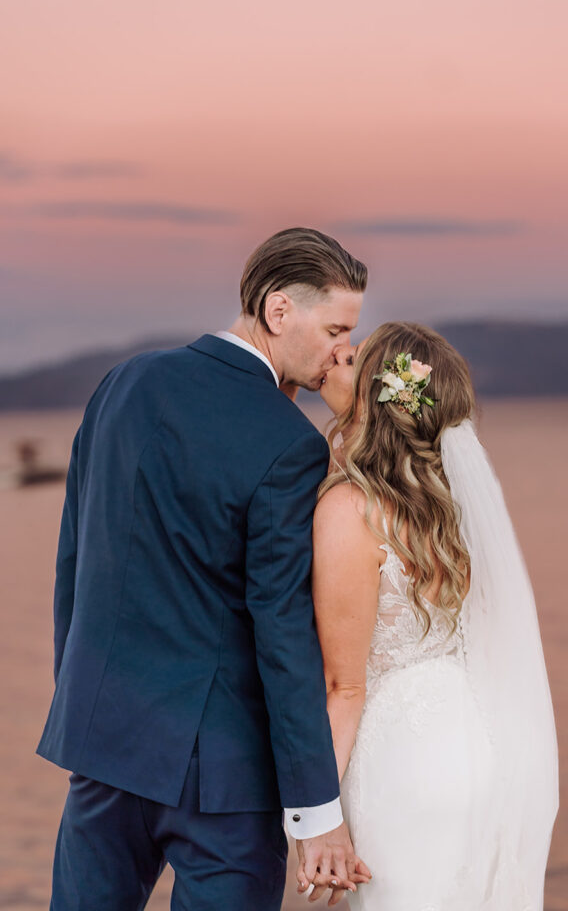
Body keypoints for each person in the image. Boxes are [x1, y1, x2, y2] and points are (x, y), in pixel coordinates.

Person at [37, 227, 372, 911]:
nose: (344, 349)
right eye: (336, 326)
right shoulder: (289, 445)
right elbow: (281, 631)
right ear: (279, 311)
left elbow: (74, 558)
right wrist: (317, 810)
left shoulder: (123, 383)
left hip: (102, 740)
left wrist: (84, 701)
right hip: (222, 777)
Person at [303, 321, 559, 909]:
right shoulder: (444, 508)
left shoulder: (351, 510)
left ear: (376, 398)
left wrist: (314, 820)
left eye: (355, 358)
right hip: (474, 742)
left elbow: (344, 686)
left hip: (404, 761)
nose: (339, 354)